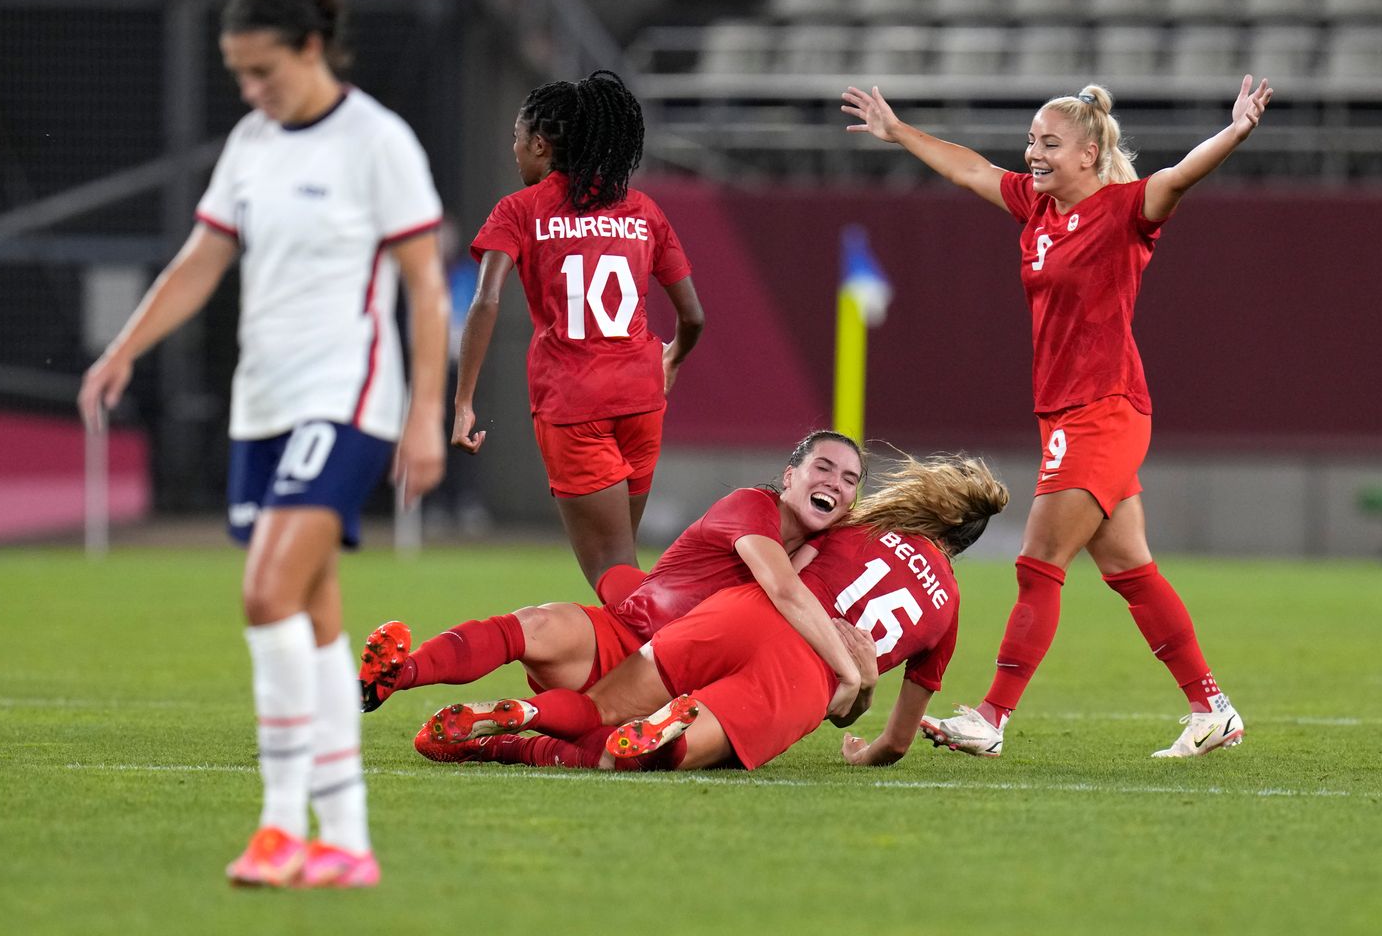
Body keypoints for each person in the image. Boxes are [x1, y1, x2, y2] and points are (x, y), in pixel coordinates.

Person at [77, 0, 449, 888]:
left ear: (311, 50)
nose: (251, 91)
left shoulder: (378, 141)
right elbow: (203, 259)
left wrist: (427, 411)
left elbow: (424, 286)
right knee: (314, 616)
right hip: (263, 405)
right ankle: (347, 841)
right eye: (238, 75)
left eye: (263, 71)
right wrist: (125, 346)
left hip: (345, 397)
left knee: (264, 590)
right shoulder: (250, 143)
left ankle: (281, 825)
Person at [840, 76, 1273, 758]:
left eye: (1049, 143)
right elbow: (973, 169)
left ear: (1090, 155)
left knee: (1039, 560)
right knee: (1131, 570)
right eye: (1032, 141)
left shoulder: (1125, 210)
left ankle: (991, 716)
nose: (1033, 154)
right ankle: (1212, 709)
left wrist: (1237, 130)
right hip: (1069, 413)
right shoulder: (1035, 209)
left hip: (1105, 410)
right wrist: (899, 132)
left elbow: (1180, 176)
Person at [416, 453, 1009, 773]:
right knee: (651, 753)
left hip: (741, 613)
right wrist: (862, 727)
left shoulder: (856, 527)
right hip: (802, 677)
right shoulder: (949, 609)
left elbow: (792, 572)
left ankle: (523, 713)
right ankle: (516, 744)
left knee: (599, 707)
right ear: (962, 544)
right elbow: (897, 743)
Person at [361, 430, 870, 723]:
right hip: (624, 637)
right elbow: (783, 590)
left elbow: (835, 706)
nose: (835, 483)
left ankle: (499, 727)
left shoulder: (827, 556)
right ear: (790, 476)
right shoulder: (751, 507)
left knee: (591, 723)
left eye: (849, 479)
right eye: (823, 468)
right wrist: (849, 674)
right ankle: (396, 676)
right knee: (531, 625)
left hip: (680, 683)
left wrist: (863, 686)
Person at [452, 69, 705, 589]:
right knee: (623, 564)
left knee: (613, 574)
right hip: (641, 398)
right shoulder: (641, 210)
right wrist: (673, 358)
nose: (514, 151)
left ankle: (682, 660)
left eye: (517, 140)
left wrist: (463, 403)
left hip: (574, 404)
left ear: (540, 145)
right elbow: (694, 317)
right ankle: (632, 666)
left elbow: (487, 299)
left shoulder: (519, 210)